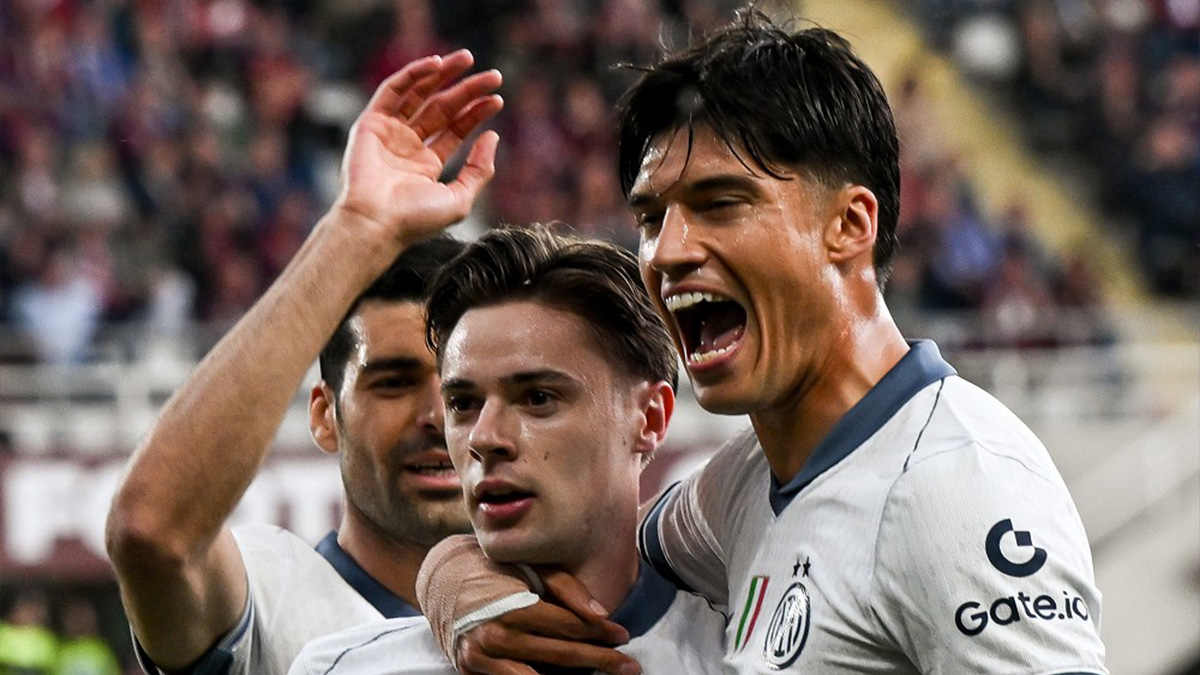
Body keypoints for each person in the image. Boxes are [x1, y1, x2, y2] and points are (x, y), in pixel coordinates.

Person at [418, 11, 1107, 675]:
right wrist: (451, 572)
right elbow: (604, 542)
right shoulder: (743, 485)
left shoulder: (955, 485)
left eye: (720, 203)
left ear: (849, 225)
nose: (668, 251)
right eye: (652, 217)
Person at [104, 49, 505, 675]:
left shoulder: (570, 612)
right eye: (393, 382)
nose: (437, 415)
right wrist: (357, 229)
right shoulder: (272, 599)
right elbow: (152, 533)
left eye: (463, 391)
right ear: (324, 415)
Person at [287, 226, 727, 675]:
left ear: (650, 418)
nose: (483, 437)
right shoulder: (341, 668)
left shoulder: (739, 655)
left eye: (538, 398)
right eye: (463, 404)